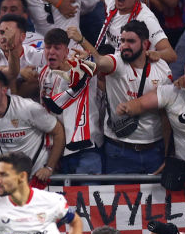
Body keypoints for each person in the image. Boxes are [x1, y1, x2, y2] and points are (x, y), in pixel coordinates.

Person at [74, 20, 173, 174]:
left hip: (154, 151)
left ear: (145, 44)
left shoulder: (162, 68)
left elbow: (166, 116)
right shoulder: (117, 62)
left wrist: (168, 156)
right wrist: (81, 40)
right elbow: (100, 61)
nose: (124, 45)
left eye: (131, 41)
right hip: (119, 152)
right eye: (122, 41)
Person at [0, 69, 64, 184]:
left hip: (36, 179)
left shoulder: (28, 108)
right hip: (8, 181)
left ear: (4, 90)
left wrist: (49, 168)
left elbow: (59, 132)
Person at [37, 29, 103, 175]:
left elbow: (100, 62)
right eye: (48, 47)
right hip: (59, 151)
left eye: (57, 48)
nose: (51, 52)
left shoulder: (83, 66)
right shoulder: (43, 73)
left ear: (67, 50)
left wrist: (81, 40)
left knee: (87, 197)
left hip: (87, 149)